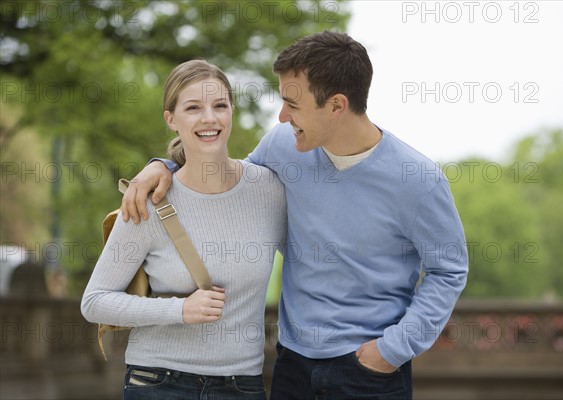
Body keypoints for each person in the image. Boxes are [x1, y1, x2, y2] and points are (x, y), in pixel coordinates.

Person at [122, 31, 468, 400]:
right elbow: (227, 183)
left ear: (336, 106)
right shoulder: (283, 145)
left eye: (293, 104)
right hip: (292, 366)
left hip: (371, 374)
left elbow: (448, 270)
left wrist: (393, 350)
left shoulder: (418, 180)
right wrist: (163, 166)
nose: (283, 116)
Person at [81, 59, 287, 400]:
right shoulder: (148, 201)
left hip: (242, 384)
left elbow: (308, 261)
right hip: (158, 381)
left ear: (231, 112)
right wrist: (179, 310)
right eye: (193, 108)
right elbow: (95, 302)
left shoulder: (268, 190)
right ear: (171, 119)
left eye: (220, 105)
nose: (209, 118)